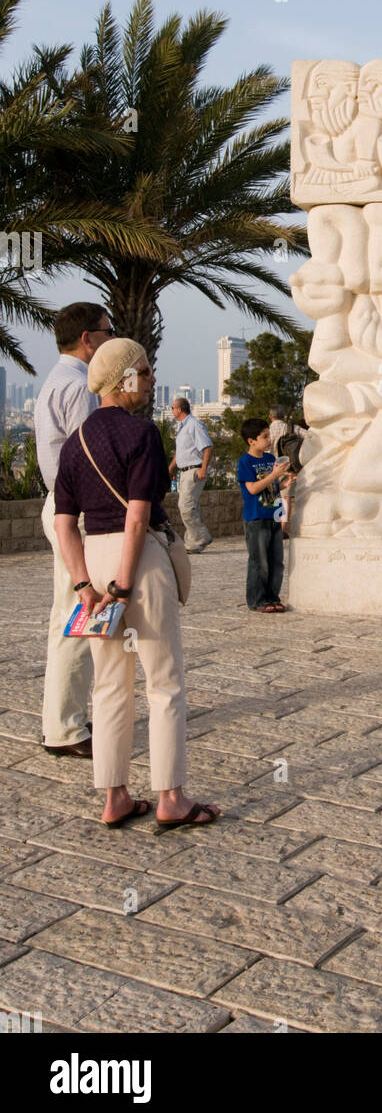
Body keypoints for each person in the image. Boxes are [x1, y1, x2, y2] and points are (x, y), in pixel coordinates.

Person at [52, 338, 220, 829]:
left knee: (109, 686)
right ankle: (171, 797)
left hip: (92, 557)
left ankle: (115, 797)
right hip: (137, 558)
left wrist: (86, 586)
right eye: (144, 373)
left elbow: (65, 524)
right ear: (124, 378)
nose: (149, 381)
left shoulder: (75, 442)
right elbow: (139, 514)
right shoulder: (141, 433)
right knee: (163, 680)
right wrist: (124, 582)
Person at [35, 302, 115, 757]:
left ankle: (60, 721)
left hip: (60, 508)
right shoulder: (79, 388)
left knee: (66, 617)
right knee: (79, 619)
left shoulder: (54, 381)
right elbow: (92, 460)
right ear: (88, 338)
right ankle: (66, 729)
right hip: (77, 513)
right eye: (108, 332)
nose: (110, 339)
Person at [237, 417, 294, 613]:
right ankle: (257, 599)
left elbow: (270, 486)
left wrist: (283, 483)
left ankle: (272, 597)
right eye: (264, 437)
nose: (269, 440)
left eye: (268, 435)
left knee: (276, 561)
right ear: (251, 441)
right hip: (256, 517)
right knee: (259, 561)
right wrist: (273, 476)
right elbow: (252, 489)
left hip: (274, 514)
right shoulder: (245, 462)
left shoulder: (270, 459)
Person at [167, 398, 213, 554]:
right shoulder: (181, 427)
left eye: (173, 407)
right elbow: (182, 452)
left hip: (194, 470)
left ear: (179, 409)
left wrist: (203, 468)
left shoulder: (194, 425)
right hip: (184, 471)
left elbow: (207, 446)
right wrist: (171, 467)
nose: (172, 410)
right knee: (191, 506)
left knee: (185, 507)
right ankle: (192, 543)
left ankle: (201, 536)